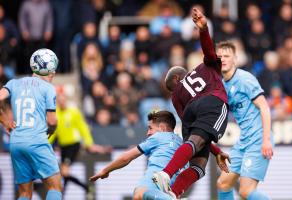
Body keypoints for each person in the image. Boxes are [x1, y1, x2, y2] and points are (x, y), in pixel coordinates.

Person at [153, 7, 229, 199]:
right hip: (212, 102)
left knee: (199, 163)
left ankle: (174, 192)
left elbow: (196, 132)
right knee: (198, 164)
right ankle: (166, 174)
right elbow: (209, 50)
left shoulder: (175, 97)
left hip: (191, 114)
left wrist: (216, 151)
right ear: (179, 76)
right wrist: (203, 29)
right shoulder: (204, 67)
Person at [0, 49, 62, 200]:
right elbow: (52, 121)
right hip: (37, 140)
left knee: (24, 193)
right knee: (55, 187)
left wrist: (4, 121)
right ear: (51, 71)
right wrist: (52, 130)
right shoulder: (48, 88)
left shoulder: (14, 83)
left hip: (16, 142)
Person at [216, 41, 274, 200]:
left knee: (245, 192)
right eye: (219, 56)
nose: (223, 59)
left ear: (235, 59)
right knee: (223, 183)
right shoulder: (221, 86)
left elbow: (264, 107)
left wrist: (266, 139)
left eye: (227, 56)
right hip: (243, 141)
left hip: (258, 139)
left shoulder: (245, 79)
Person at [89, 110, 183, 200]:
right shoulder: (181, 142)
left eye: (150, 128)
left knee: (139, 194)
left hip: (157, 176)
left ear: (162, 128)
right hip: (173, 182)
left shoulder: (158, 137)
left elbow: (126, 158)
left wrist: (105, 170)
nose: (148, 133)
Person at [48, 88, 111, 195]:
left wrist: (89, 143)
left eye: (63, 100)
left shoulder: (73, 112)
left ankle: (83, 188)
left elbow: (82, 128)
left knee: (64, 171)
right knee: (64, 174)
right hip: (63, 146)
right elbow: (54, 132)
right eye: (60, 100)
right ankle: (87, 188)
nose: (62, 102)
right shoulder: (56, 114)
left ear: (66, 100)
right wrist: (47, 143)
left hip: (73, 144)